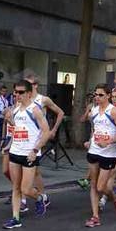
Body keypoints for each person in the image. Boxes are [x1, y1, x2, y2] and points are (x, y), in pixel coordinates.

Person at [3, 80, 52, 229]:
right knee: (16, 188)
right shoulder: (15, 109)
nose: (17, 95)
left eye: (21, 92)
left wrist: (35, 150)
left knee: (26, 189)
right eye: (15, 92)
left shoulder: (35, 110)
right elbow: (17, 129)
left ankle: (39, 198)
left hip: (30, 154)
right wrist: (10, 122)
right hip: (15, 151)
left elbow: (46, 132)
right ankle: (15, 218)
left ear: (29, 93)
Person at [84, 84, 116, 227]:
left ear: (108, 96)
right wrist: (90, 141)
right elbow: (95, 129)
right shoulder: (94, 111)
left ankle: (115, 198)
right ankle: (95, 217)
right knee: (94, 185)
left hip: (109, 153)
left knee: (101, 187)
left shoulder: (113, 112)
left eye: (101, 95)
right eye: (96, 94)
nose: (97, 97)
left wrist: (109, 141)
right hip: (94, 151)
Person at [26, 74, 65, 213]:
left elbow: (60, 112)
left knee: (34, 170)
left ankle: (36, 196)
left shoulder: (43, 99)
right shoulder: (24, 99)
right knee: (35, 171)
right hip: (24, 139)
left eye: (29, 84)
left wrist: (53, 130)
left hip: (38, 139)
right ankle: (41, 197)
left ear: (35, 85)